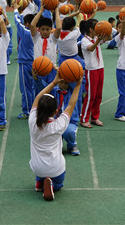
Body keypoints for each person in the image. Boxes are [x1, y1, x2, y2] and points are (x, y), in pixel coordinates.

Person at [28, 70, 82, 201]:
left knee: (40, 169)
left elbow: (36, 98)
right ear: (56, 110)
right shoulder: (59, 125)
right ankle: (54, 185)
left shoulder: (32, 121)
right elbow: (71, 104)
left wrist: (53, 82)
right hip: (55, 169)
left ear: (38, 109)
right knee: (59, 182)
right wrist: (78, 84)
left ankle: (39, 182)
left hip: (37, 168)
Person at [33, 68, 81, 156]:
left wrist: (77, 77)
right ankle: (57, 145)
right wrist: (37, 79)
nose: (63, 84)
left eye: (66, 83)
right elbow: (44, 88)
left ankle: (72, 145)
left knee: (69, 132)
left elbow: (77, 86)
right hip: (55, 121)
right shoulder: (54, 91)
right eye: (61, 82)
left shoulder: (72, 92)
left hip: (69, 122)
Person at [80, 18, 108, 128]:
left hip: (100, 68)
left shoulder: (96, 37)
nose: (98, 29)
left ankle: (95, 117)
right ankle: (84, 119)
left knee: (98, 95)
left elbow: (109, 37)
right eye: (97, 27)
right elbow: (91, 48)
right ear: (91, 29)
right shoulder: (85, 40)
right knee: (91, 95)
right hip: (91, 70)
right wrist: (98, 40)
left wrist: (107, 30)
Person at [12, 2, 36, 119]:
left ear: (27, 24)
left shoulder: (26, 33)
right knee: (31, 87)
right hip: (33, 62)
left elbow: (17, 22)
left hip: (25, 63)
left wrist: (16, 10)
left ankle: (27, 111)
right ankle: (33, 107)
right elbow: (21, 22)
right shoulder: (36, 33)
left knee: (25, 89)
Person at [30, 7, 58, 95]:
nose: (45, 31)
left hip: (51, 69)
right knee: (39, 94)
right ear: (39, 29)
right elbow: (32, 25)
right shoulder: (36, 37)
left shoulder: (53, 38)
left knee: (51, 93)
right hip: (38, 69)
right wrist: (41, 10)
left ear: (51, 29)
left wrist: (56, 10)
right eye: (43, 29)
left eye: (47, 29)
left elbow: (59, 27)